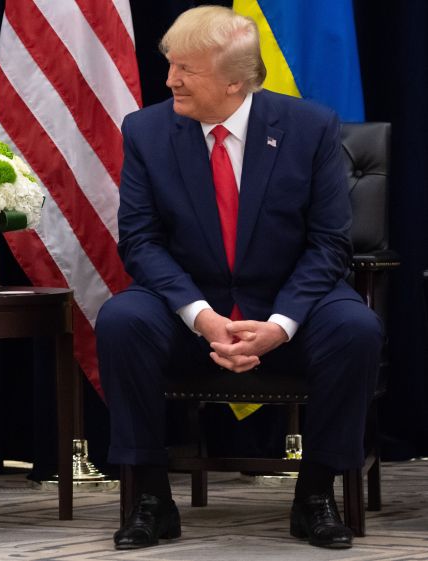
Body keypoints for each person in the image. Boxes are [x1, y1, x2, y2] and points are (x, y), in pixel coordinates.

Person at [95, 6, 381, 551]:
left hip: (290, 303)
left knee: (357, 328)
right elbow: (140, 241)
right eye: (170, 65)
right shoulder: (147, 130)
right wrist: (200, 316)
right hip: (186, 306)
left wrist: (279, 325)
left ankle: (316, 493)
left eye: (185, 69)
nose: (169, 80)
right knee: (121, 321)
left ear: (235, 81)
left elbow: (329, 245)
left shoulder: (310, 126)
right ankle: (151, 499)